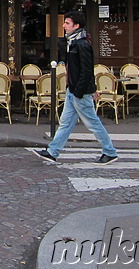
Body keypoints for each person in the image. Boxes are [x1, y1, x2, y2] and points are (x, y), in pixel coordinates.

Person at [36, 11, 118, 165]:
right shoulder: (73, 42)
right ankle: (52, 151)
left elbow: (87, 70)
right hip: (73, 90)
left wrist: (80, 92)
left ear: (76, 26)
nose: (63, 26)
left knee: (92, 122)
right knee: (66, 122)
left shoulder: (82, 44)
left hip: (79, 92)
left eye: (67, 23)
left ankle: (109, 151)